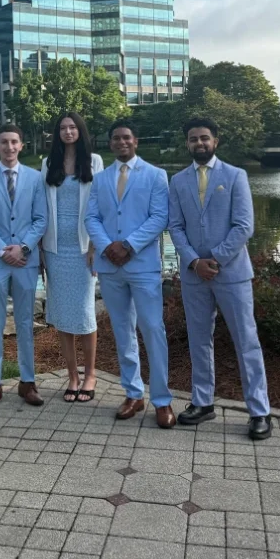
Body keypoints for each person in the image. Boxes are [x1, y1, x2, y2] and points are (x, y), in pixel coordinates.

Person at [168, 117, 272, 440]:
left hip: (232, 273)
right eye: (193, 138)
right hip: (194, 275)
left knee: (246, 341)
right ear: (187, 143)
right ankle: (202, 402)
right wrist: (194, 261)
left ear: (216, 140)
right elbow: (175, 227)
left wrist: (215, 259)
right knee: (199, 340)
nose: (199, 143)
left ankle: (259, 411)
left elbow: (244, 226)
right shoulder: (178, 181)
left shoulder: (235, 176)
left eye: (204, 138)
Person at [85, 118, 176, 428]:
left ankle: (162, 400)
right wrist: (106, 246)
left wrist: (128, 245)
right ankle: (133, 393)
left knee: (152, 329)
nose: (121, 142)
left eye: (126, 137)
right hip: (110, 266)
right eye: (116, 138)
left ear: (135, 141)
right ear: (110, 143)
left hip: (142, 265)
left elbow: (159, 217)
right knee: (122, 330)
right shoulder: (100, 179)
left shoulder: (155, 175)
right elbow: (91, 217)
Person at [0, 124, 48, 410]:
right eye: (4, 142)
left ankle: (28, 382)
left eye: (14, 141)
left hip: (26, 260)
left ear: (21, 145)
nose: (9, 147)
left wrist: (24, 247)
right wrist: (2, 250)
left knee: (26, 322)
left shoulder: (35, 178)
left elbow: (40, 219)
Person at [41, 113, 104, 403]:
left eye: (73, 127)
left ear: (81, 131)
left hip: (83, 248)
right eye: (63, 128)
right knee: (63, 315)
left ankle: (90, 374)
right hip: (55, 248)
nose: (68, 132)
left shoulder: (95, 162)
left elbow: (100, 204)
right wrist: (40, 249)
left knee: (85, 312)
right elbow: (42, 207)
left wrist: (94, 245)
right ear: (58, 133)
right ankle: (72, 376)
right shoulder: (48, 163)